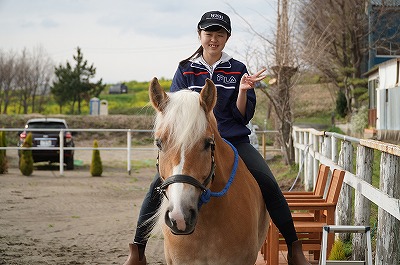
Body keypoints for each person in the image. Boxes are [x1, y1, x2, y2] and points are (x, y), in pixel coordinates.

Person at [124, 10, 311, 265]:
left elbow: (242, 116)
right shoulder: (185, 69)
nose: (214, 39)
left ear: (227, 37)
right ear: (200, 35)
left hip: (234, 140)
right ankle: (138, 251)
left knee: (268, 183)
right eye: (209, 33)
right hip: (195, 143)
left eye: (219, 34)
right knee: (157, 186)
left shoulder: (237, 69)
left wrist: (243, 91)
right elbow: (176, 112)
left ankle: (294, 248)